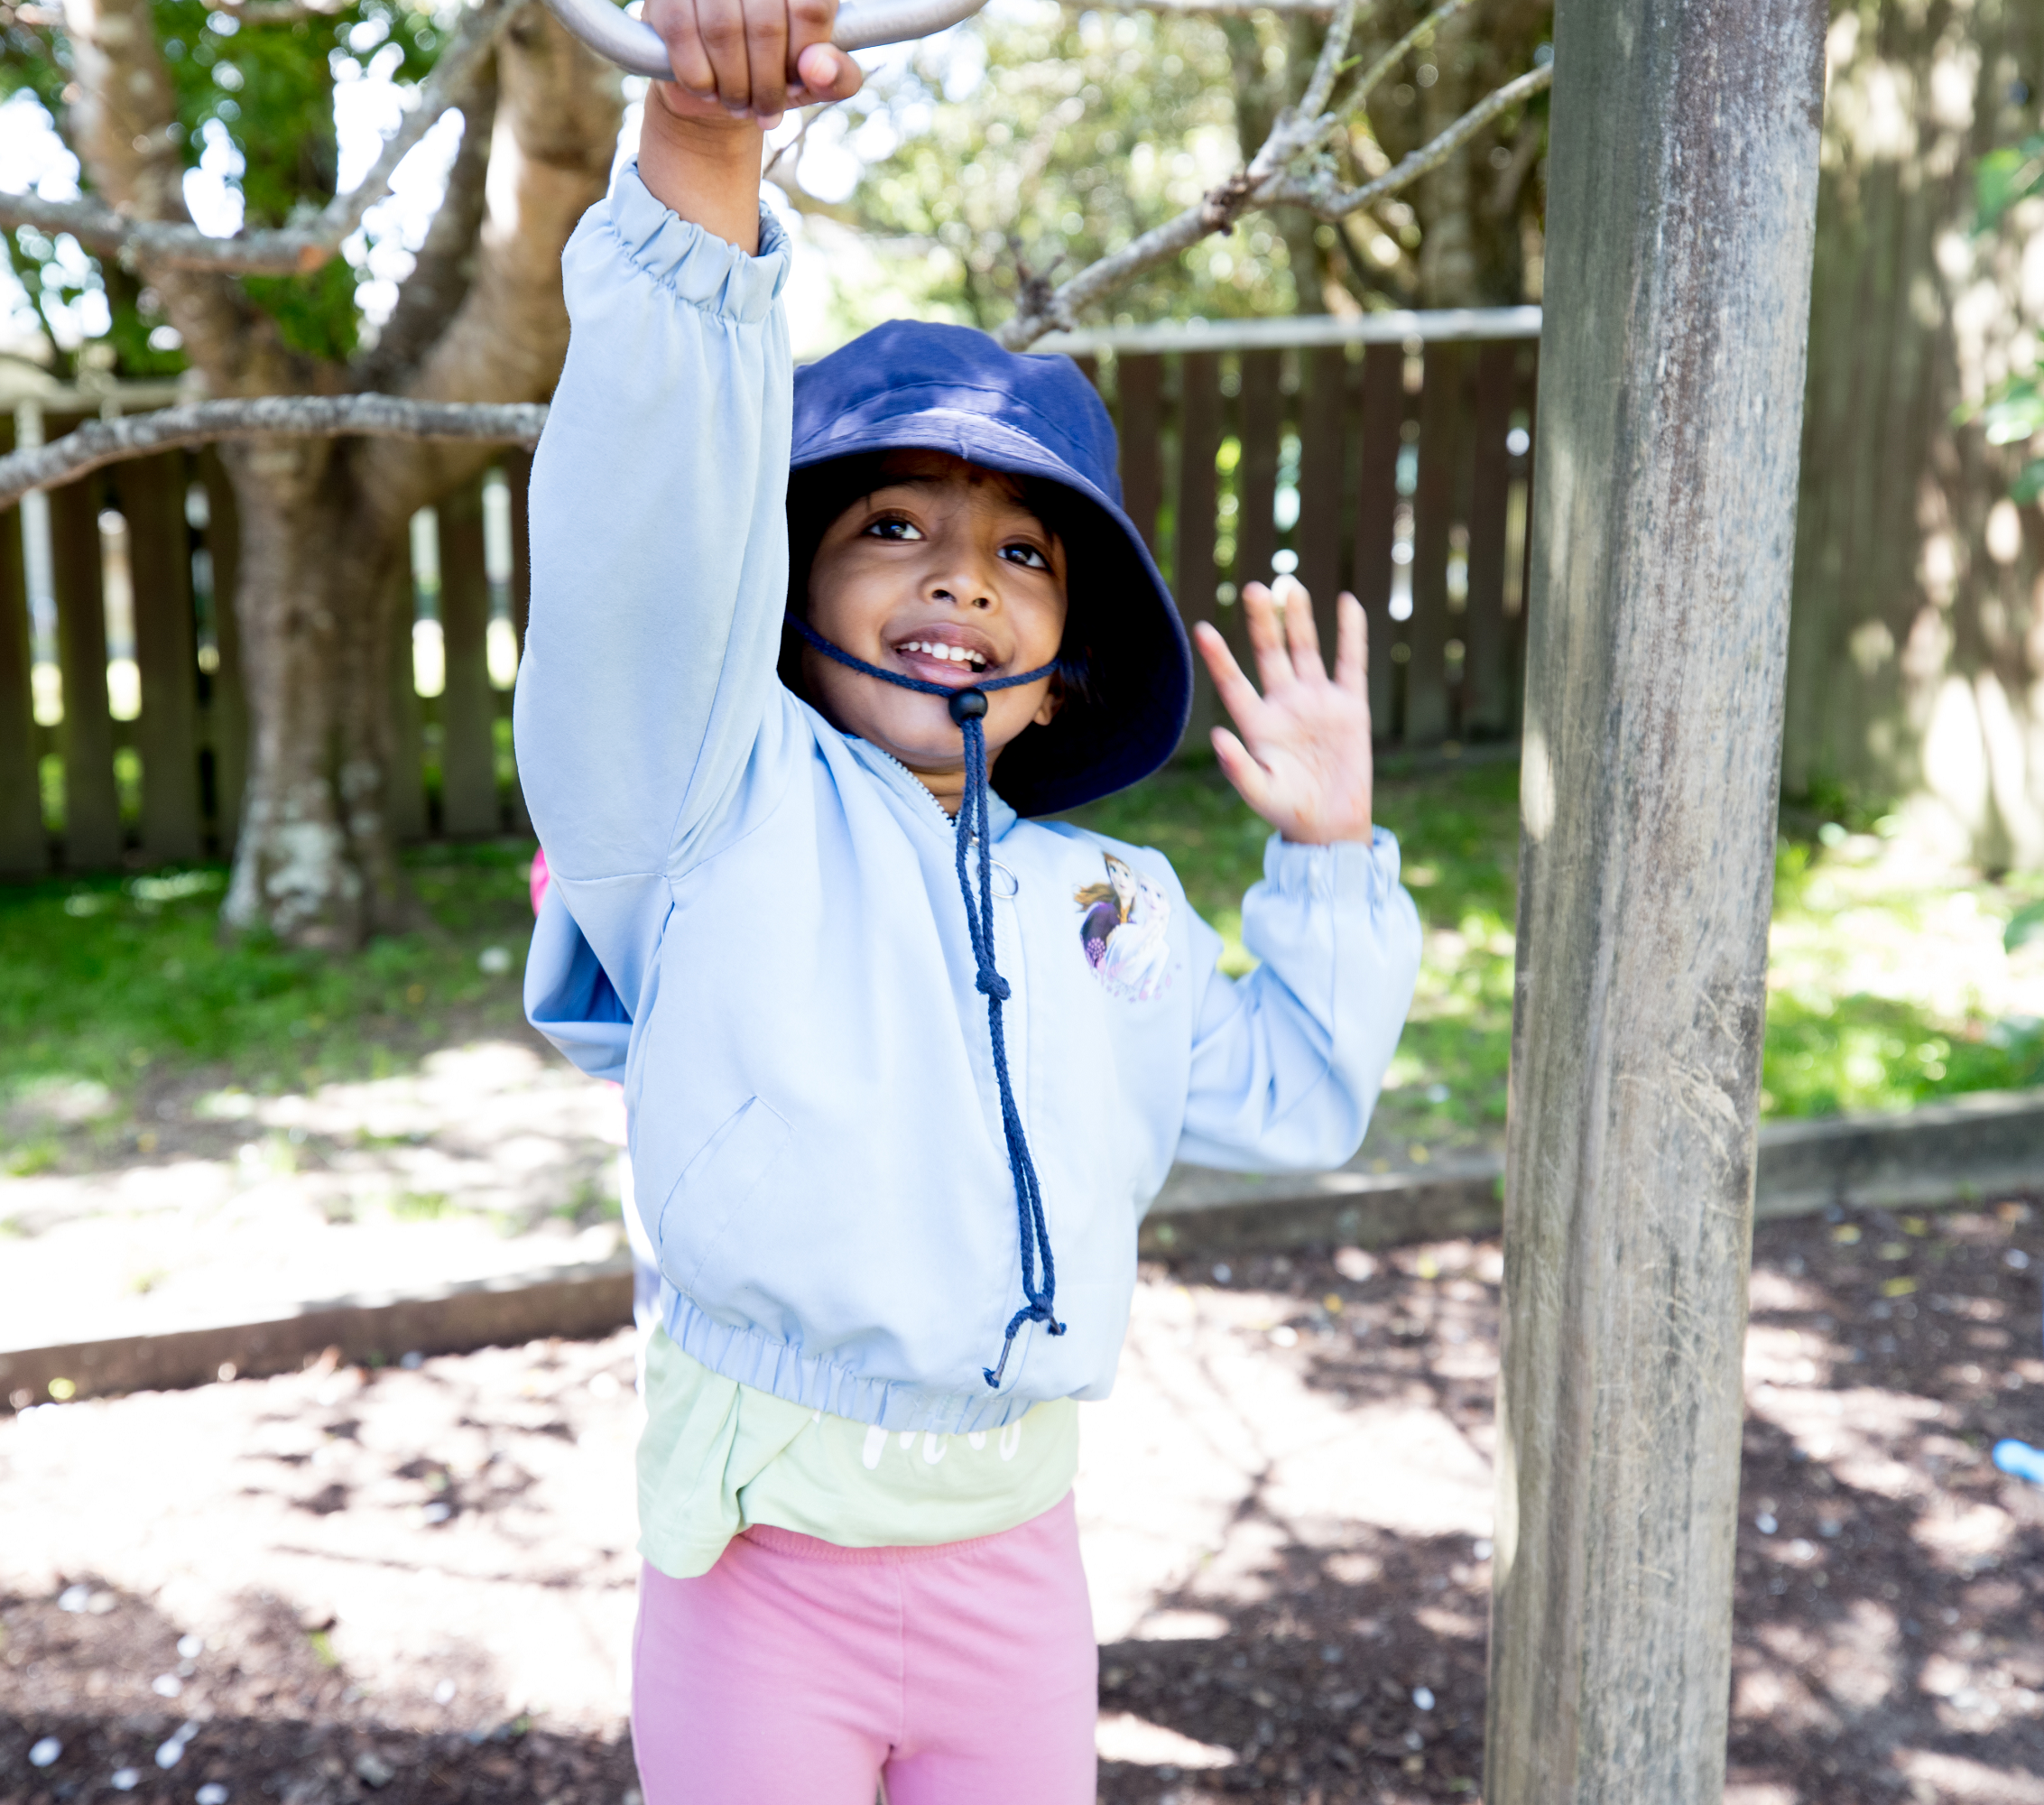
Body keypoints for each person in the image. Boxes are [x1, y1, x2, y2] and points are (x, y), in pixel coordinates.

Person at [512, 4, 1422, 1791]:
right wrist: (706, 151)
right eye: (893, 525)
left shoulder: (1116, 908)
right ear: (784, 590)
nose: (960, 577)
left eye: (1022, 550)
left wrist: (1326, 855)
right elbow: (642, 532)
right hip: (759, 1574)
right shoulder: (705, 812)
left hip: (1019, 1574)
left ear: (1072, 662)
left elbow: (1299, 1096)